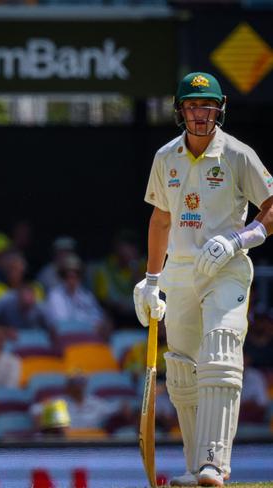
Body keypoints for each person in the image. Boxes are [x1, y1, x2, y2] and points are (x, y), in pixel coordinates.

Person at [133, 72, 273, 487]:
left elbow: (271, 205)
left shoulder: (237, 154)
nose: (200, 114)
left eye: (208, 106)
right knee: (181, 370)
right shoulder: (166, 157)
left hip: (226, 267)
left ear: (220, 108)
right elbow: (160, 219)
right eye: (194, 106)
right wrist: (151, 280)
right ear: (181, 110)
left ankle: (215, 463)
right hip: (179, 270)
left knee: (220, 350)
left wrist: (242, 238)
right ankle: (196, 468)